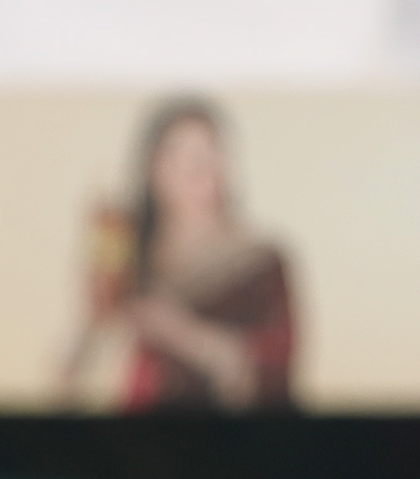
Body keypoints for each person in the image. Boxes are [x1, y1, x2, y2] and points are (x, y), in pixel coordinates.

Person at [65, 98, 295, 413]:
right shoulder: (131, 261)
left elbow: (271, 375)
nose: (196, 168)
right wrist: (95, 315)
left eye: (207, 152)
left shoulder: (260, 262)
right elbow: (70, 380)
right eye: (179, 154)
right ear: (151, 168)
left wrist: (180, 332)